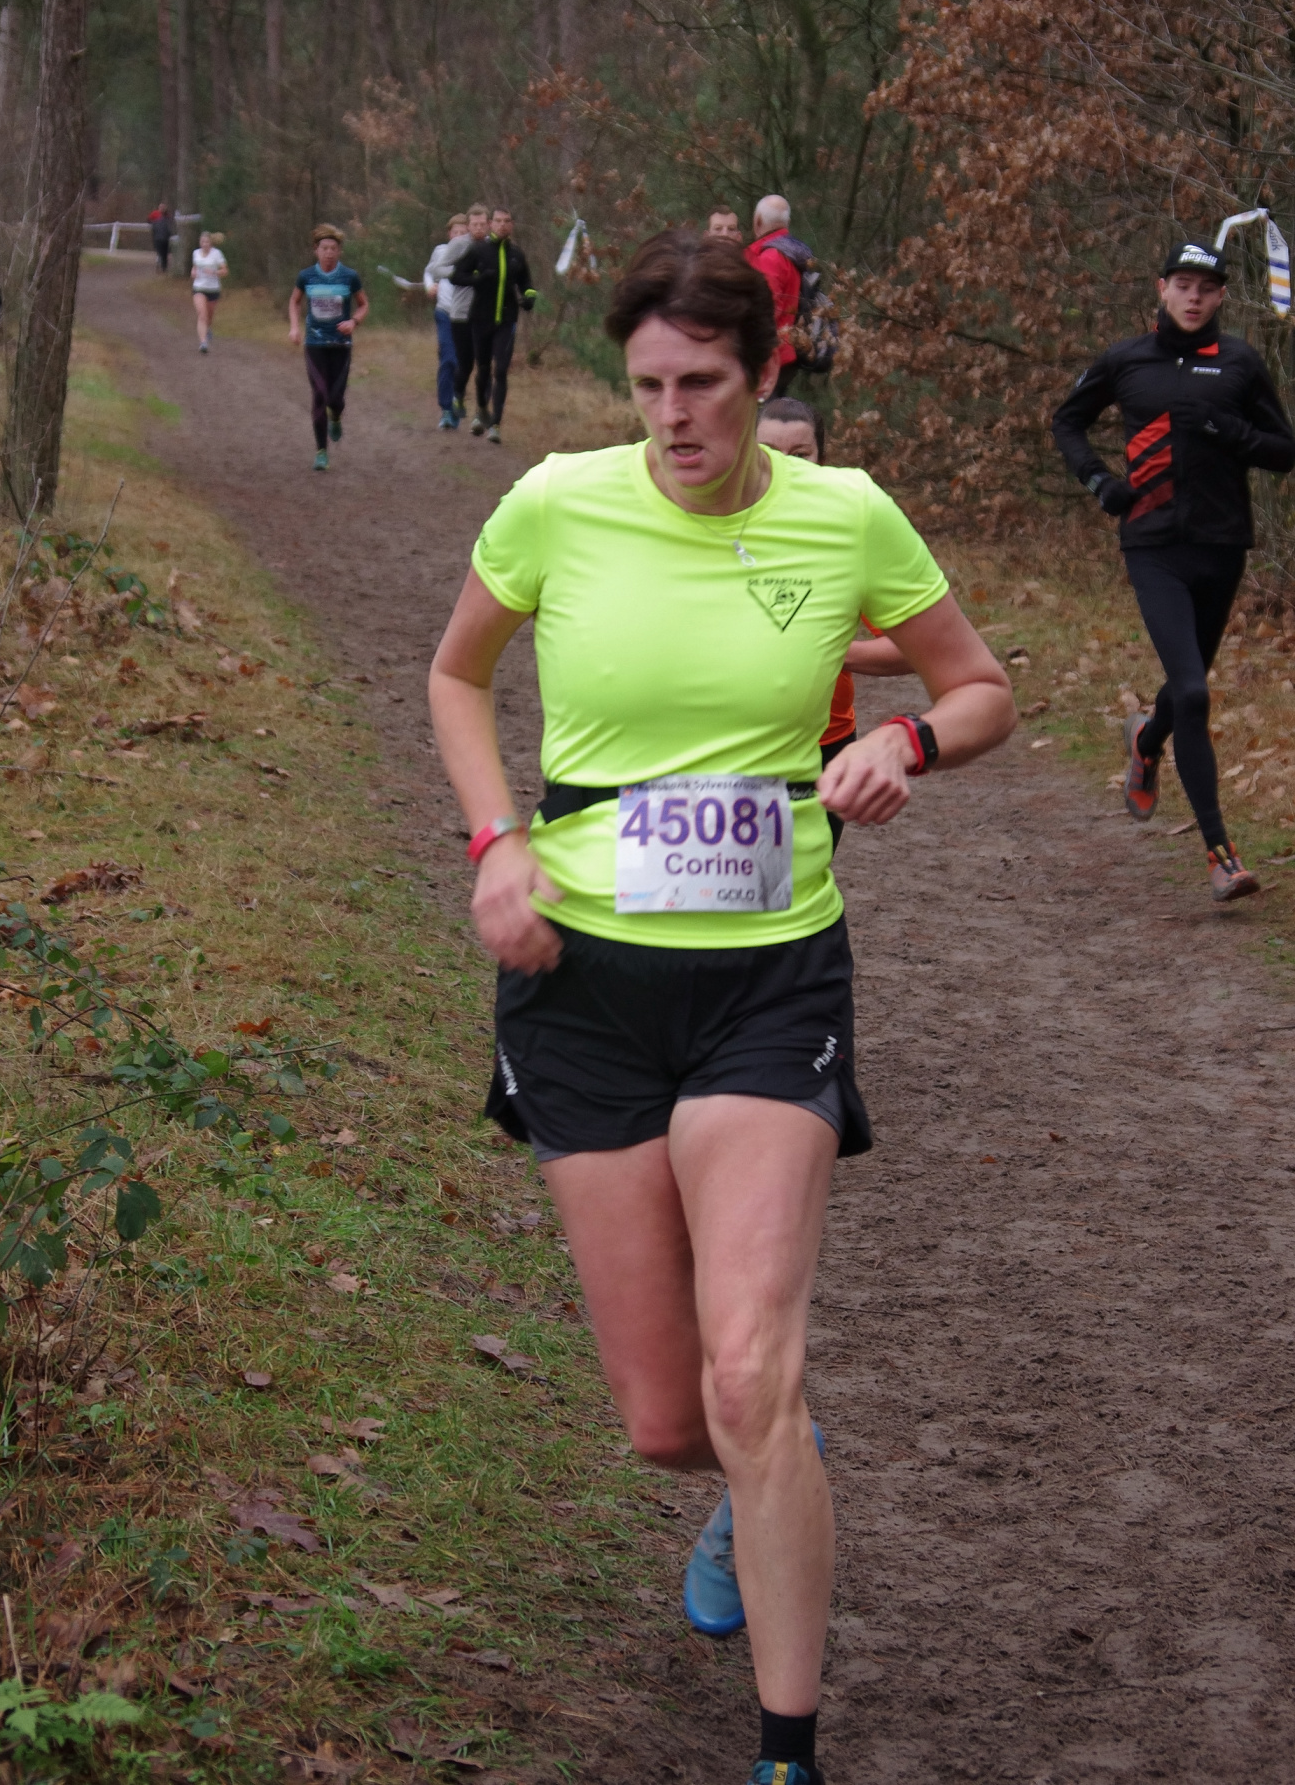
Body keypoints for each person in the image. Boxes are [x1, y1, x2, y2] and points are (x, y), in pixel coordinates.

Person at [429, 230, 1015, 1785]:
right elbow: (456, 676)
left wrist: (906, 743)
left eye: (702, 384)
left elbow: (982, 687)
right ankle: (770, 1466)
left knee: (749, 1368)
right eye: (647, 388)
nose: (673, 416)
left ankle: (785, 1751)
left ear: (766, 376)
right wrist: (495, 846)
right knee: (669, 1416)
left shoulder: (845, 515)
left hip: (771, 976)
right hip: (581, 984)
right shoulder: (559, 501)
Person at [1052, 236, 1295, 903]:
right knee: (1191, 691)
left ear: (1221, 297)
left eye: (1206, 288)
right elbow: (1068, 422)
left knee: (1186, 691)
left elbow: (1284, 450)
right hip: (1153, 545)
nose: (1193, 297)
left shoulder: (1239, 362)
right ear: (1161, 289)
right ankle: (1221, 854)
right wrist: (1100, 481)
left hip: (1221, 546)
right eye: (1182, 285)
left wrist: (1226, 431)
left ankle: (1146, 738)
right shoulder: (1126, 359)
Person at [757, 399, 913, 850]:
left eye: (800, 454)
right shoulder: (712, 529)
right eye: (769, 452)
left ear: (821, 459)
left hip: (825, 743)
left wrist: (830, 650)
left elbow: (912, 649)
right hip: (728, 742)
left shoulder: (848, 535)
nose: (786, 466)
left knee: (801, 878)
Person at [451, 205, 537, 445]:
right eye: (498, 221)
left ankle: (496, 425)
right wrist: (478, 278)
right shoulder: (478, 250)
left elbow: (526, 283)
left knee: (500, 371)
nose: (502, 225)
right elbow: (457, 276)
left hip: (507, 320)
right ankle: (481, 409)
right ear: (491, 224)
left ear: (511, 225)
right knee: (483, 369)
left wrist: (529, 297)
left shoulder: (517, 254)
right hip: (480, 319)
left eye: (506, 221)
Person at [288, 224, 368, 472]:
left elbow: (363, 304)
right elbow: (295, 301)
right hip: (315, 344)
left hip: (341, 345)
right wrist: (294, 327)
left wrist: (353, 322)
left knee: (335, 398)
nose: (329, 253)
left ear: (339, 251)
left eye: (333, 248)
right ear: (316, 250)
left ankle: (336, 415)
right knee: (320, 395)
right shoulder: (306, 276)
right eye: (324, 248)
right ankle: (321, 451)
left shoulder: (350, 276)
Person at [745, 195, 801, 399]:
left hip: (769, 355)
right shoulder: (794, 253)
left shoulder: (770, 257)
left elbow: (766, 311)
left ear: (758, 221)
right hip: (787, 351)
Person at [424, 212, 470, 430]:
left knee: (461, 363)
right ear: (449, 234)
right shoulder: (441, 251)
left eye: (463, 232)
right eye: (455, 232)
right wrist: (429, 286)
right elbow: (428, 273)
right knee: (448, 359)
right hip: (444, 312)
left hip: (466, 316)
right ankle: (446, 410)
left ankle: (456, 402)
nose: (459, 236)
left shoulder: (472, 251)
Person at [190, 230, 228, 354]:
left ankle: (207, 328)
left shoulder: (217, 254)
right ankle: (203, 342)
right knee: (202, 314)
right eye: (203, 242)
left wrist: (214, 272)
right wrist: (193, 272)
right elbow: (195, 266)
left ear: (211, 243)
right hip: (199, 288)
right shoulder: (195, 253)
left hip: (213, 289)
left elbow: (225, 271)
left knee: (209, 317)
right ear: (200, 242)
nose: (205, 244)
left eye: (207, 242)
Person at [148, 202, 173, 274]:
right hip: (159, 237)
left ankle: (163, 267)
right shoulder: (155, 214)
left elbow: (169, 225)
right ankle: (161, 266)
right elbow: (149, 220)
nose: (162, 209)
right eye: (161, 207)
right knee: (160, 253)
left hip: (163, 238)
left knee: (163, 253)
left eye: (163, 207)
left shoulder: (168, 216)